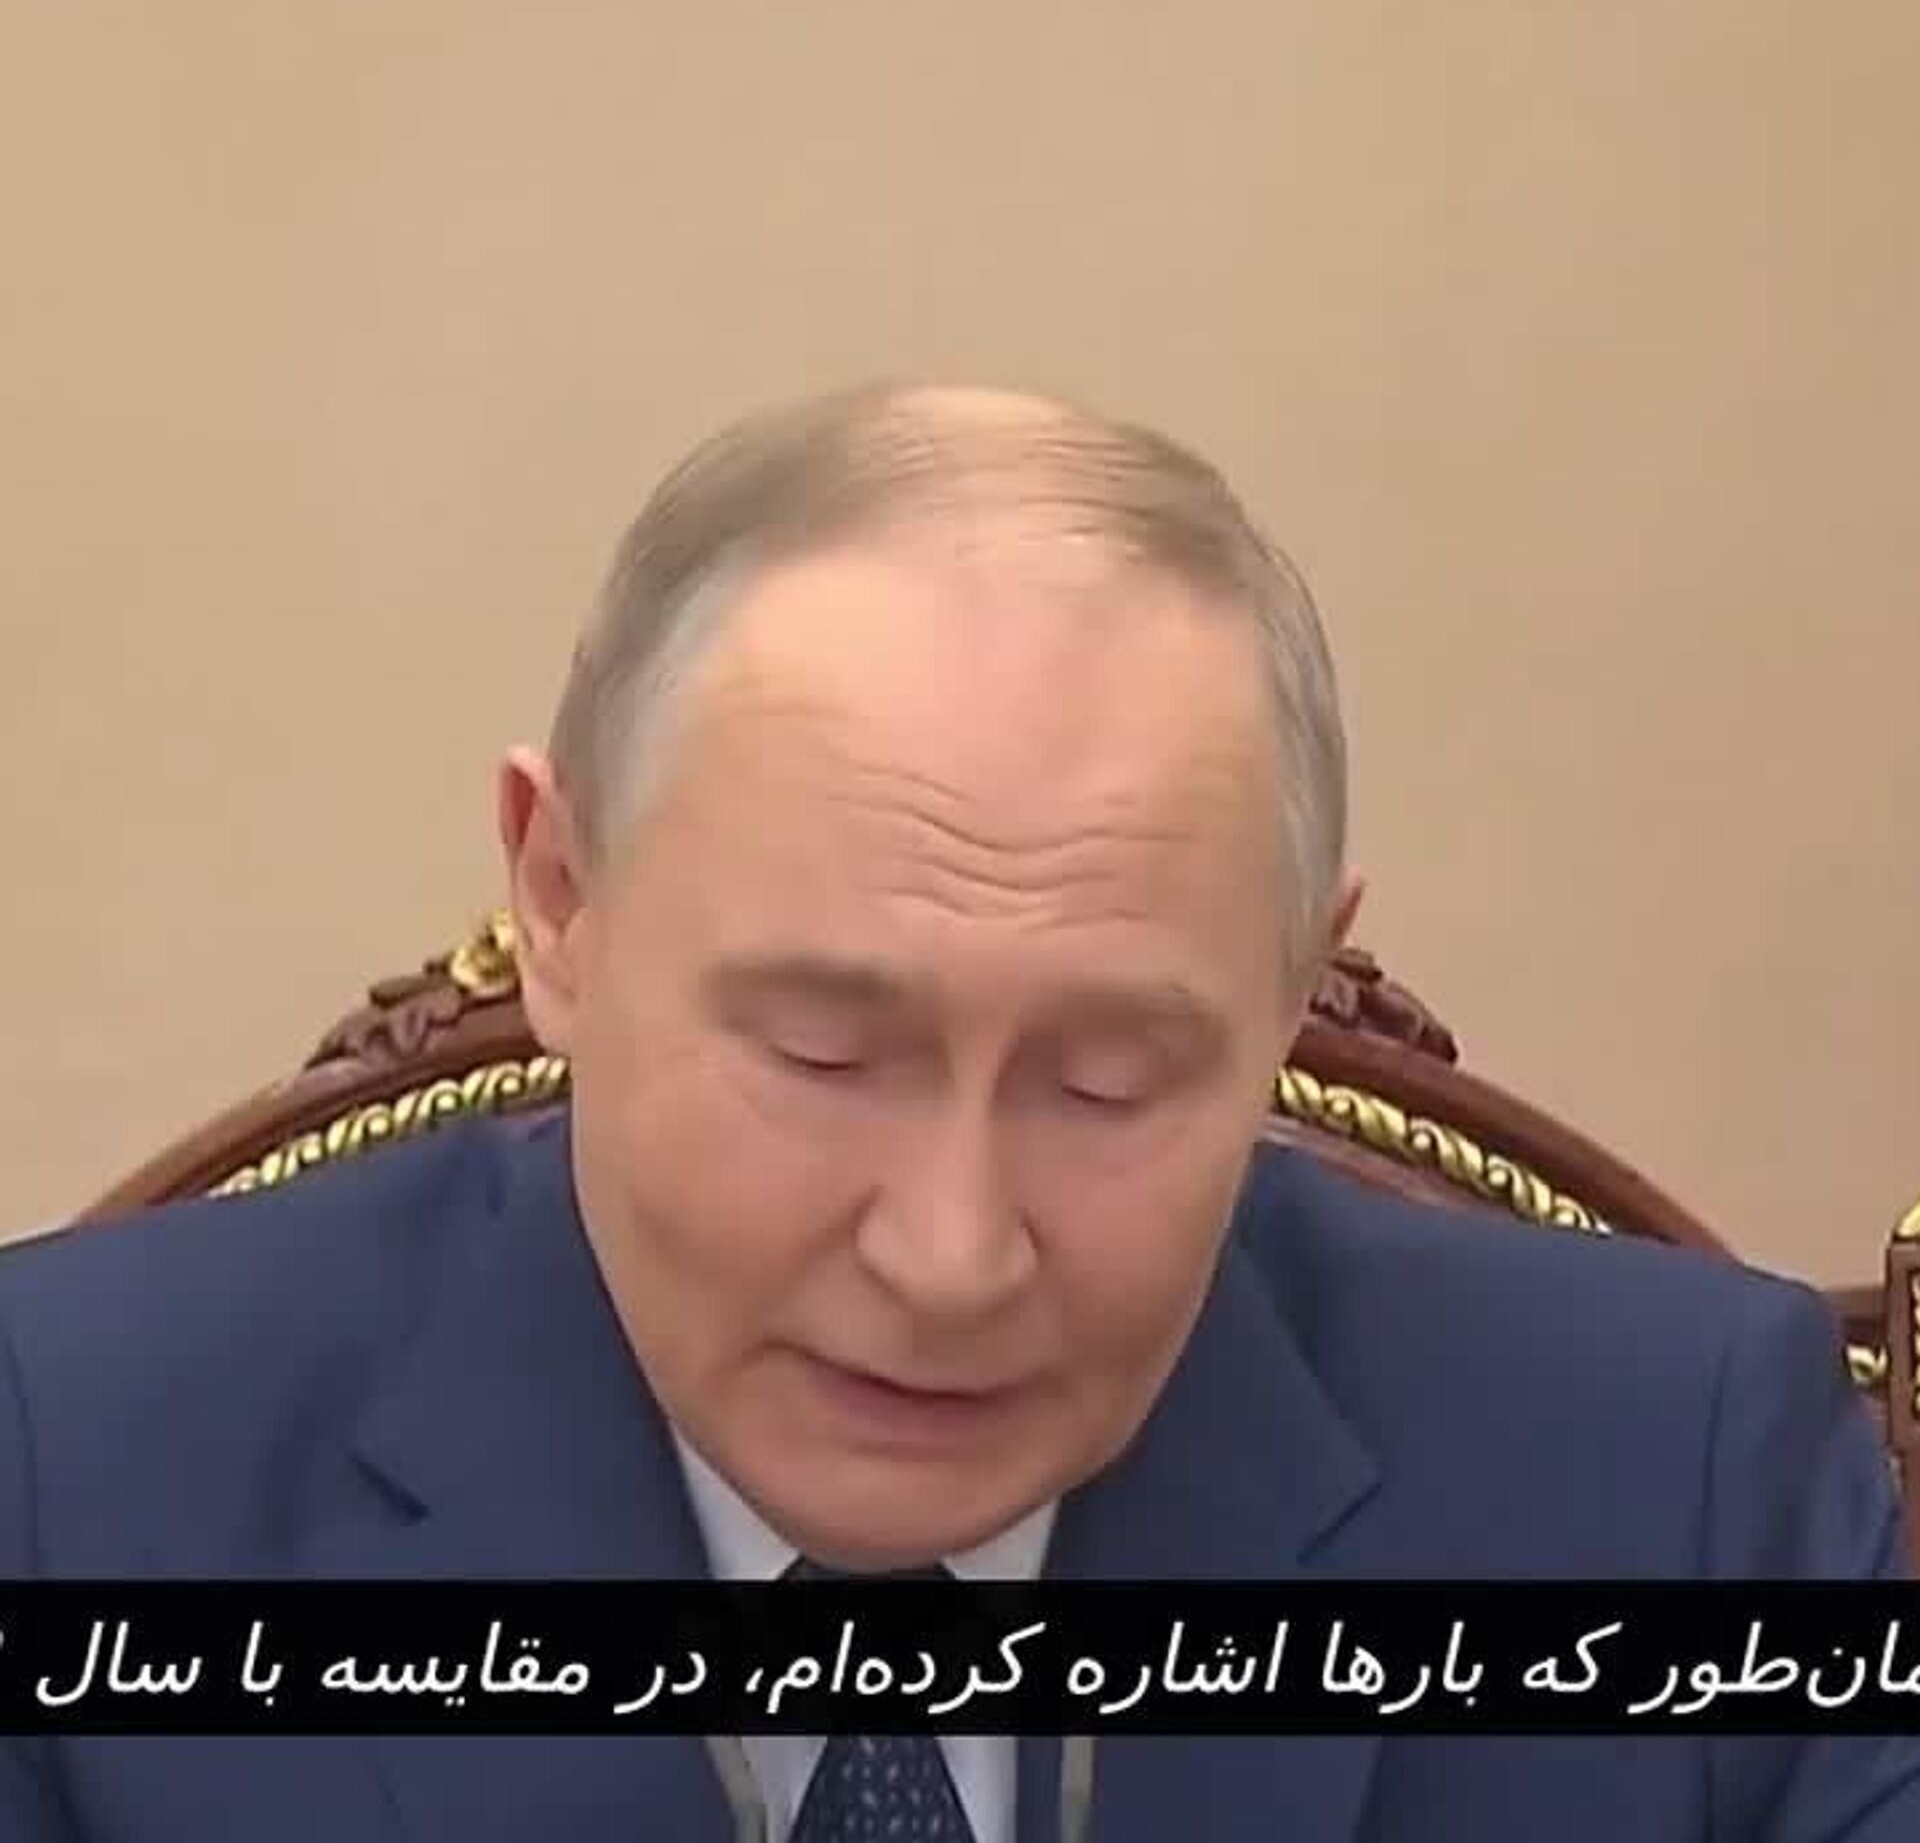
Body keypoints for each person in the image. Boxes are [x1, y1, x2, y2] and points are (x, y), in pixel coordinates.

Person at [0, 382, 1911, 1842]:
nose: (950, 1252)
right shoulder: (72, 1479)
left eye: (1108, 1081)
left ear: (1288, 998)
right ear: (561, 906)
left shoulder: (1679, 1489)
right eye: (824, 1056)